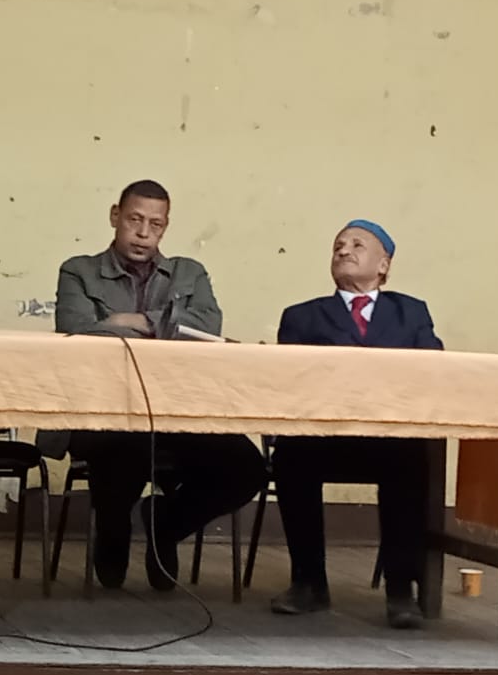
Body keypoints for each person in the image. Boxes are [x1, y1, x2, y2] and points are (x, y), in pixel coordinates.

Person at [52, 180, 268, 590]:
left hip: (179, 410)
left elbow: (207, 327)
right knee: (127, 442)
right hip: (103, 410)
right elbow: (75, 329)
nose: (143, 233)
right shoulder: (78, 270)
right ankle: (113, 529)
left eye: (155, 224)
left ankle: (166, 523)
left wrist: (128, 321)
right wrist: (167, 325)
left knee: (247, 467)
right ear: (115, 216)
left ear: (165, 227)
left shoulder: (189, 273)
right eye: (134, 220)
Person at [270, 219, 444, 629]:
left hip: (388, 437)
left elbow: (433, 370)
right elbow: (289, 383)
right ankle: (308, 583)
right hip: (323, 438)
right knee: (291, 456)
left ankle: (401, 591)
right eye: (338, 246)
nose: (344, 251)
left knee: (410, 456)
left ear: (384, 265)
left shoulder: (411, 312)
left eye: (357, 245)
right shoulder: (302, 316)